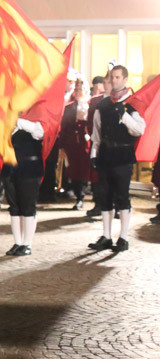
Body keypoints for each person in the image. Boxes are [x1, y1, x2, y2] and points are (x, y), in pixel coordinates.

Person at [88, 65, 146, 253]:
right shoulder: (102, 105)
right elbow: (96, 132)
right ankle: (106, 236)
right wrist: (94, 154)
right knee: (104, 196)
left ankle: (123, 237)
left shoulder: (132, 103)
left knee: (122, 196)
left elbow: (139, 130)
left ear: (125, 79)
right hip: (105, 154)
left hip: (123, 155)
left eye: (118, 77)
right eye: (112, 77)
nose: (114, 81)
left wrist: (125, 115)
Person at [1, 117, 45, 256]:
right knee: (14, 207)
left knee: (28, 206)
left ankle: (27, 244)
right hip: (10, 167)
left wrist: (18, 121)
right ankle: (18, 242)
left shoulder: (34, 121)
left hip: (29, 167)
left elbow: (40, 133)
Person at [59, 79, 91, 210]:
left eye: (81, 89)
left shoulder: (91, 105)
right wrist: (62, 146)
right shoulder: (69, 107)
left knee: (85, 170)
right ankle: (79, 197)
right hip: (72, 143)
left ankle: (85, 195)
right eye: (76, 89)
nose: (78, 92)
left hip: (86, 143)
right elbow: (64, 128)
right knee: (75, 171)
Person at [84, 75, 108, 217]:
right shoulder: (95, 101)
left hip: (113, 145)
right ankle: (98, 204)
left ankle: (116, 207)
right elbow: (89, 122)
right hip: (97, 142)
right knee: (96, 176)